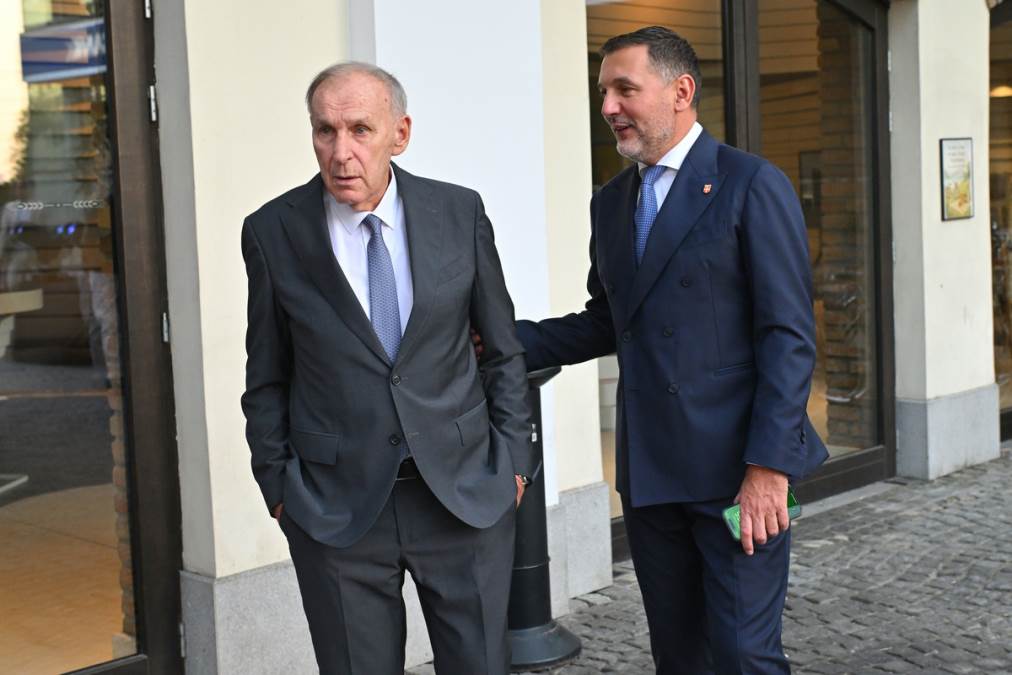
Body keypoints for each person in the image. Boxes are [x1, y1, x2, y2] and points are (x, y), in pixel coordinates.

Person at [515, 27, 829, 674]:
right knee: (679, 654)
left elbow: (788, 337)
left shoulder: (749, 183)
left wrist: (769, 467)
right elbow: (608, 321)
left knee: (744, 654)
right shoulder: (610, 204)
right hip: (651, 472)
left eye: (624, 89)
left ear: (680, 91)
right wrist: (498, 339)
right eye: (603, 92)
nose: (609, 107)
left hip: (738, 472)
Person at [241, 62, 532, 675]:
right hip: (336, 509)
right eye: (324, 130)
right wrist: (280, 491)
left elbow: (504, 351)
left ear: (400, 133)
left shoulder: (459, 212)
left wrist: (513, 463)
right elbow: (266, 376)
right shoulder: (273, 231)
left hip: (464, 495)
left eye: (359, 130)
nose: (340, 151)